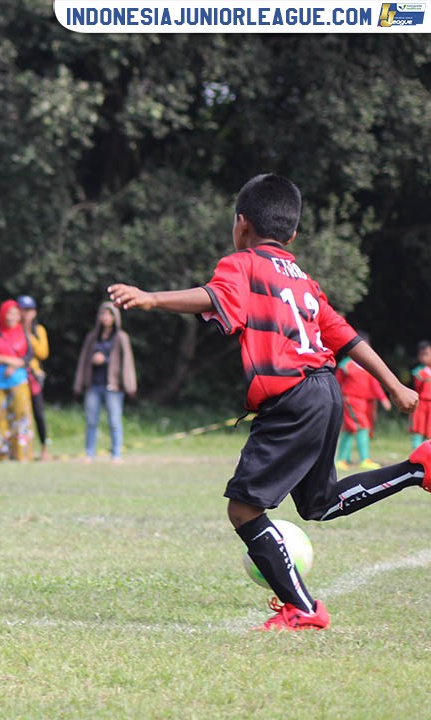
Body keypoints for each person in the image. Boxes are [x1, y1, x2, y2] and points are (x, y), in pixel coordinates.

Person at [108, 173, 428, 631]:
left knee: (243, 508)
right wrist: (394, 384)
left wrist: (152, 298)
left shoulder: (243, 263)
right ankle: (417, 469)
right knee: (320, 503)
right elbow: (345, 335)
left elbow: (215, 297)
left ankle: (303, 608)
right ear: (293, 233)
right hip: (324, 391)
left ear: (241, 224)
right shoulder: (304, 282)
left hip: (292, 399)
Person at [73, 302, 137, 463]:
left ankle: (116, 454)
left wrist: (130, 385)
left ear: (115, 317)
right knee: (91, 421)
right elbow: (83, 361)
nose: (105, 318)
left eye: (109, 314)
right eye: (103, 314)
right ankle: (89, 453)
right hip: (93, 384)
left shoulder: (121, 337)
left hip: (113, 386)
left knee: (114, 422)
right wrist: (78, 383)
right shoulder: (92, 337)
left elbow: (127, 362)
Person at [0, 300, 34, 462]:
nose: (12, 317)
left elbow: (29, 356)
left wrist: (16, 364)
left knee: (21, 416)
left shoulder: (23, 334)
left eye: (15, 313)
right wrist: (5, 359)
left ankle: (21, 454)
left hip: (19, 380)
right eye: (9, 313)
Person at [334, 335, 391, 470]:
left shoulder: (367, 366)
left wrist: (383, 399)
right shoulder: (346, 365)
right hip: (350, 400)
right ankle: (364, 459)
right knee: (362, 427)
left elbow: (374, 384)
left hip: (364, 403)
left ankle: (342, 459)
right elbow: (336, 383)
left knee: (350, 429)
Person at [17, 294, 52, 461]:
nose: (25, 314)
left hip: (33, 377)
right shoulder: (12, 331)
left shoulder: (39, 331)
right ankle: (20, 449)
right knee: (19, 413)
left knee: (38, 413)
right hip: (17, 377)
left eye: (28, 310)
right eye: (22, 310)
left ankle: (44, 447)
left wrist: (27, 334)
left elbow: (43, 353)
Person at [411, 340, 431, 449]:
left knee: (429, 433)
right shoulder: (418, 372)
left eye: (427, 354)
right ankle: (415, 457)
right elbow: (418, 387)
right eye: (421, 355)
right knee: (418, 430)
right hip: (422, 404)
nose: (424, 358)